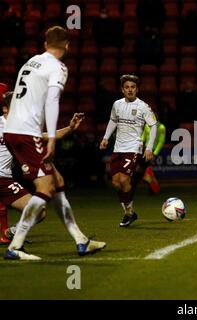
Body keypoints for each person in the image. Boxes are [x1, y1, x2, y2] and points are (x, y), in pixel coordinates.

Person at [3, 26, 106, 260]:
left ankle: (81, 240)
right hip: (28, 134)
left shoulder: (30, 62)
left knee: (57, 181)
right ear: (67, 45)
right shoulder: (58, 67)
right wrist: (50, 138)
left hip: (14, 131)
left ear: (45, 43)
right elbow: (51, 101)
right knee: (46, 188)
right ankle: (15, 246)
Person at [1, 91, 86, 244]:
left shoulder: (22, 128)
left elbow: (49, 136)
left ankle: (11, 233)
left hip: (4, 181)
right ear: (5, 109)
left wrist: (71, 128)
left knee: (39, 212)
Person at [100, 74, 157, 227]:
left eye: (133, 87)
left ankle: (128, 214)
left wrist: (149, 147)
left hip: (134, 148)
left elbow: (153, 126)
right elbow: (113, 120)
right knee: (116, 182)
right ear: (122, 89)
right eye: (127, 87)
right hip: (118, 148)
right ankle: (130, 213)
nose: (130, 90)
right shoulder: (117, 104)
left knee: (124, 179)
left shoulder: (143, 106)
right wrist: (106, 138)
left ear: (137, 89)